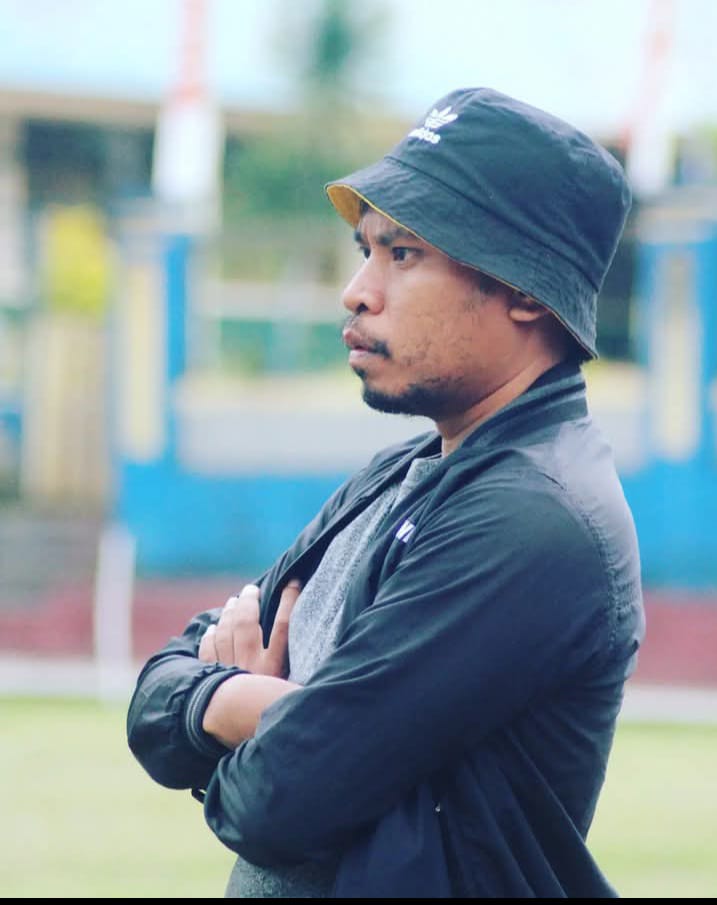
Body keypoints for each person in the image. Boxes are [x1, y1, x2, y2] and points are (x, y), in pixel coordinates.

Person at [127, 87, 645, 898]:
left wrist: (224, 711)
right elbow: (156, 694)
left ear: (525, 290)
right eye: (365, 249)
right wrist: (246, 704)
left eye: (402, 254)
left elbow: (276, 799)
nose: (357, 290)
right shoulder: (399, 474)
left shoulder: (532, 517)